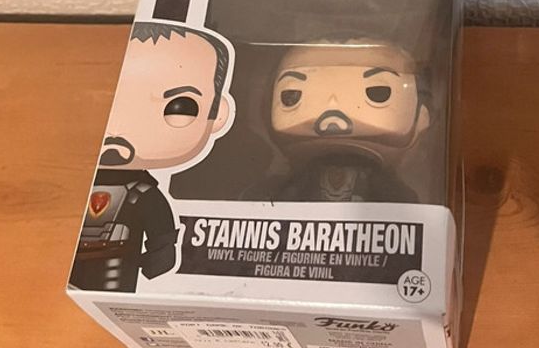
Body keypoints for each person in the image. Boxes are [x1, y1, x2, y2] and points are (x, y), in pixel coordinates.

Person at [70, 21, 233, 291]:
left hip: (116, 270)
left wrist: (156, 259)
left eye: (179, 106)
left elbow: (161, 238)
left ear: (217, 115)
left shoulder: (143, 194)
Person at [265, 39, 429, 202]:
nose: (332, 112)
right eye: (291, 93)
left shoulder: (380, 181)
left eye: (378, 91)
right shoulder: (302, 180)